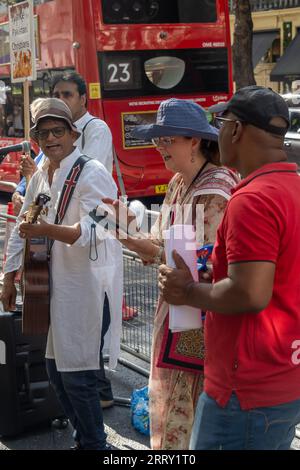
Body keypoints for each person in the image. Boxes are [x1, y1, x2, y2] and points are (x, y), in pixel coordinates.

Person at [158, 86, 300, 450]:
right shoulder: (291, 187)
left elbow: (248, 293)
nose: (215, 134)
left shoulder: (252, 199)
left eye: (219, 123)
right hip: (281, 377)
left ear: (235, 130)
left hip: (244, 391)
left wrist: (187, 291)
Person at [102, 98, 239, 450]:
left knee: (189, 402)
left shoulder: (217, 190)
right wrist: (127, 229)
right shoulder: (180, 181)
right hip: (179, 311)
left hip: (203, 316)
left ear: (195, 140)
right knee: (174, 399)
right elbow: (161, 244)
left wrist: (138, 242)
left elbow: (205, 265)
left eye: (168, 139)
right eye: (156, 139)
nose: (159, 146)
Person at [0, 98, 123, 450]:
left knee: (79, 375)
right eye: (44, 133)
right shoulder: (41, 174)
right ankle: (85, 438)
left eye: (58, 131)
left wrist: (47, 229)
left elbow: (100, 227)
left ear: (73, 134)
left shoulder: (92, 172)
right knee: (56, 372)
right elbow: (21, 226)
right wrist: (9, 278)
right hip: (48, 285)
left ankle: (95, 444)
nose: (51, 138)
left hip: (83, 286)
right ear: (37, 138)